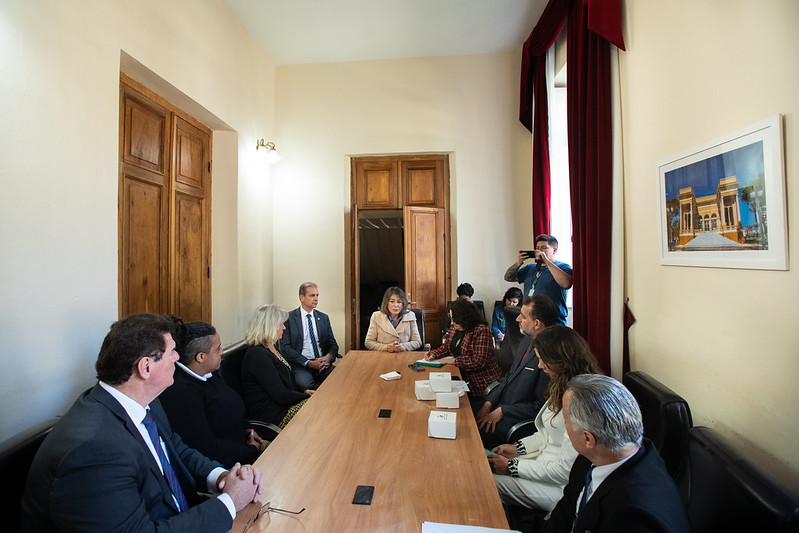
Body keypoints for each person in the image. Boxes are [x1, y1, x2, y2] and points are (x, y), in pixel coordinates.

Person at [21, 314, 262, 533]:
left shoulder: (146, 402)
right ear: (146, 367)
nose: (178, 358)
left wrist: (221, 477)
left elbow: (176, 449)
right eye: (171, 353)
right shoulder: (92, 450)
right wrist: (231, 501)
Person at [542, 374, 690, 533]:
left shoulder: (634, 517)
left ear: (588, 438)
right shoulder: (591, 457)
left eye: (565, 421)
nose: (565, 426)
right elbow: (566, 511)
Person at [488, 325, 602, 514]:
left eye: (543, 360)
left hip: (558, 486)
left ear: (561, 360)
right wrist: (518, 449)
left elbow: (565, 470)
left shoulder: (581, 401)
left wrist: (512, 467)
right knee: (482, 466)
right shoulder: (561, 385)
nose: (540, 366)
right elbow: (546, 433)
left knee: (484, 481)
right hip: (539, 464)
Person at [158, 319, 267, 468]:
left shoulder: (210, 373)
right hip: (228, 465)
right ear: (201, 357)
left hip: (245, 445)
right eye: (218, 349)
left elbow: (230, 409)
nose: (222, 352)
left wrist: (248, 429)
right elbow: (207, 448)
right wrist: (253, 450)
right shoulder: (183, 392)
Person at [476, 294, 557, 449]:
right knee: (464, 412)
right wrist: (488, 403)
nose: (517, 319)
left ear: (537, 323)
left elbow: (542, 405)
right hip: (501, 404)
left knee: (470, 431)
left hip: (516, 418)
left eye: (523, 316)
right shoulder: (526, 341)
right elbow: (509, 376)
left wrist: (503, 411)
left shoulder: (550, 355)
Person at [242, 304, 313, 429]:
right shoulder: (258, 355)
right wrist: (308, 396)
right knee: (320, 407)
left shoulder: (271, 347)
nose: (284, 327)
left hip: (284, 405)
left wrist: (304, 392)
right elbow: (281, 395)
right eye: (281, 324)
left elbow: (286, 383)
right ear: (270, 327)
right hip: (275, 414)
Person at [424, 299, 501, 401]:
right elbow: (447, 346)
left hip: (479, 383)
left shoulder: (481, 330)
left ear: (465, 319)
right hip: (460, 375)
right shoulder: (454, 327)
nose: (452, 323)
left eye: (455, 320)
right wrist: (434, 354)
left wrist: (455, 361)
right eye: (451, 318)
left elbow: (478, 361)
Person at [504, 234, 573, 325]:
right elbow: (508, 277)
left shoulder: (563, 267)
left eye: (544, 248)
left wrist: (546, 261)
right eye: (537, 248)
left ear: (554, 250)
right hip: (530, 322)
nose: (539, 251)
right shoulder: (531, 267)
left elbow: (566, 284)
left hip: (553, 322)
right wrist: (519, 263)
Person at [281, 282, 339, 390]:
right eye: (312, 295)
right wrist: (308, 363)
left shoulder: (323, 318)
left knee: (341, 378)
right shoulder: (288, 318)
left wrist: (328, 357)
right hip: (301, 364)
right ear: (301, 297)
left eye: (317, 295)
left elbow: (333, 344)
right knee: (306, 386)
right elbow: (285, 348)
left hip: (322, 364)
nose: (316, 299)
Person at [364, 286, 422, 351]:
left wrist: (402, 347)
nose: (395, 305)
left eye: (399, 302)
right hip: (383, 354)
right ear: (386, 303)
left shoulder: (410, 315)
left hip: (404, 354)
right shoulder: (376, 316)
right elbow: (368, 342)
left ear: (403, 304)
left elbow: (417, 342)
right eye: (392, 301)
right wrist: (385, 347)